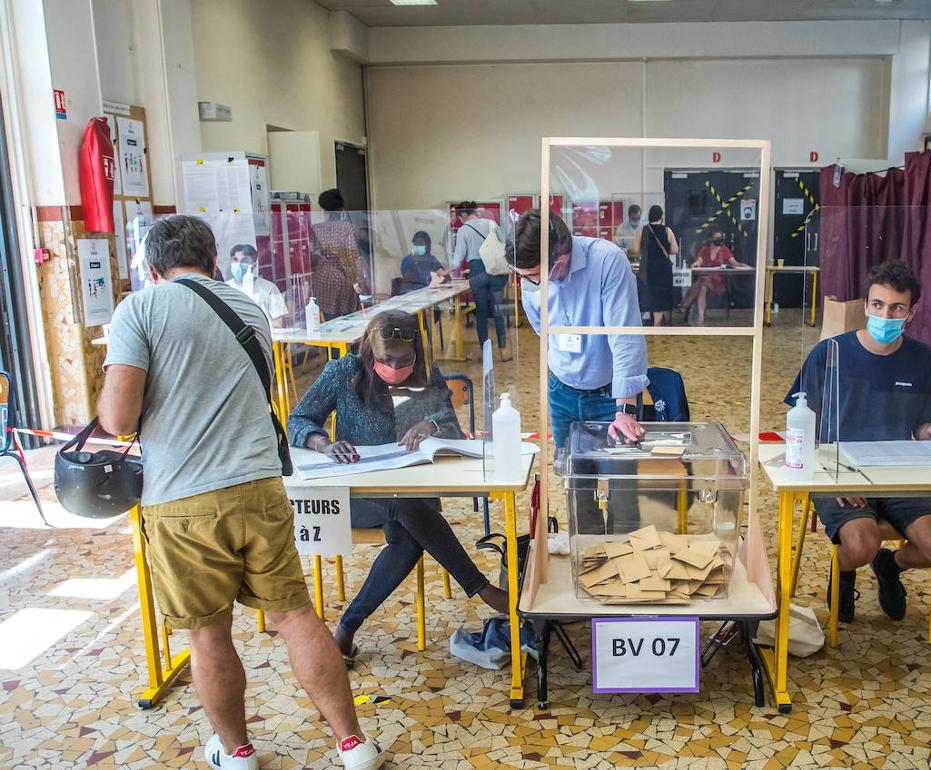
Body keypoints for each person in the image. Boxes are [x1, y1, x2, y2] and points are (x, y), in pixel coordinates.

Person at [96, 215, 383, 770]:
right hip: (259, 488)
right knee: (295, 616)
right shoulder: (247, 308)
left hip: (182, 500)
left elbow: (119, 417)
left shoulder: (141, 309)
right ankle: (353, 745)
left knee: (207, 633)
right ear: (213, 258)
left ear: (152, 267)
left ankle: (238, 751)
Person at [286, 310, 509, 661]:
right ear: (368, 352)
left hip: (411, 497)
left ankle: (346, 629)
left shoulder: (425, 375)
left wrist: (430, 425)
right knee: (404, 506)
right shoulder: (344, 373)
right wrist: (323, 443)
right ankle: (480, 587)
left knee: (406, 536)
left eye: (403, 360)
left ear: (417, 353)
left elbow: (451, 425)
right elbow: (298, 419)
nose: (394, 367)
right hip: (357, 496)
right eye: (385, 360)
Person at [784, 260, 931, 626]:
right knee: (861, 543)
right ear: (865, 305)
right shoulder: (829, 354)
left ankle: (889, 567)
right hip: (838, 471)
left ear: (911, 312)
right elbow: (803, 430)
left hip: (898, 472)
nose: (885, 313)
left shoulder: (922, 359)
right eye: (877, 305)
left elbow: (922, 429)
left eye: (896, 307)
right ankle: (845, 572)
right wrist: (835, 477)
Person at [507, 209, 647, 534]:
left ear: (560, 257)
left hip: (608, 394)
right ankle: (590, 562)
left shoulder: (607, 261)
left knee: (622, 490)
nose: (528, 283)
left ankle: (628, 563)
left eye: (534, 275)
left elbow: (625, 335)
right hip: (562, 391)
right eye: (522, 275)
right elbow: (543, 328)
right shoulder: (532, 277)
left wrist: (624, 409)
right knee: (577, 486)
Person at [452, 201, 510, 361]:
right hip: (496, 271)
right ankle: (503, 351)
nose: (460, 220)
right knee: (498, 311)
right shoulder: (491, 224)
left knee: (482, 313)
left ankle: (486, 353)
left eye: (459, 217)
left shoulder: (464, 230)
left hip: (477, 273)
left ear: (463, 214)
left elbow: (458, 259)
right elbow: (503, 245)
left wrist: (448, 270)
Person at [311, 188, 368, 320]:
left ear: (323, 209)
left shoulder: (316, 228)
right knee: (349, 321)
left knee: (330, 321)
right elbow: (350, 255)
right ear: (341, 207)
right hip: (344, 278)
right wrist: (356, 280)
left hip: (323, 277)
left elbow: (313, 256)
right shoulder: (347, 227)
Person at [681, 226, 746, 325]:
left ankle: (684, 305)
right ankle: (701, 318)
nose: (719, 240)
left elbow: (735, 263)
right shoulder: (705, 250)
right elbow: (698, 262)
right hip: (706, 281)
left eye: (720, 238)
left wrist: (745, 266)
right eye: (716, 238)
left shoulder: (724, 250)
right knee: (702, 287)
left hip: (718, 282)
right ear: (710, 239)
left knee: (702, 279)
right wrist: (694, 265)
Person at [631, 205, 678, 327]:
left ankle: (638, 327)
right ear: (661, 216)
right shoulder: (668, 231)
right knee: (659, 301)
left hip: (647, 269)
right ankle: (657, 327)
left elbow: (636, 250)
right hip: (663, 270)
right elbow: (674, 250)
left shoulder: (642, 230)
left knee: (644, 297)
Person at [226, 243, 289, 326]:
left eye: (244, 261)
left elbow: (279, 323)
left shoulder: (269, 288)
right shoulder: (225, 288)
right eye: (235, 260)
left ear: (254, 265)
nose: (238, 264)